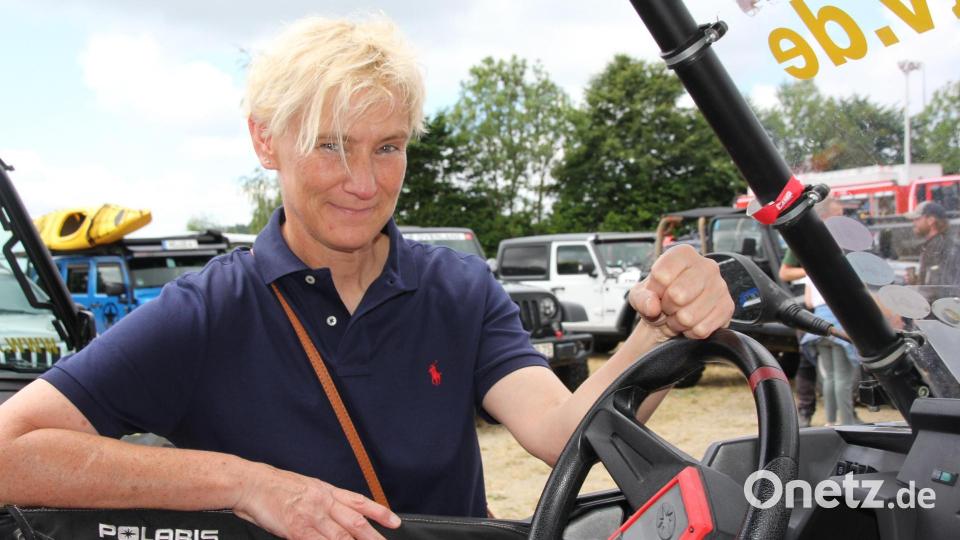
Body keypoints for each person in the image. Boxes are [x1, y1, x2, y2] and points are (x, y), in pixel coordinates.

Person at [0, 16, 733, 540]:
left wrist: (658, 332)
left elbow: (567, 434)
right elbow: (10, 453)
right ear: (266, 139)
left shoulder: (458, 290)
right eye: (330, 146)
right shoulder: (207, 311)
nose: (362, 182)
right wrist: (247, 486)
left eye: (387, 147)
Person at [778, 196, 844, 428]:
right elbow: (785, 273)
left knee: (841, 363)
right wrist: (812, 270)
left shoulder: (839, 240)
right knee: (808, 360)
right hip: (810, 305)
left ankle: (842, 414)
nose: (842, 219)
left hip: (838, 305)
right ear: (823, 216)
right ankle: (805, 411)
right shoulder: (802, 240)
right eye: (838, 214)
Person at [907, 201, 958, 286]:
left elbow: (941, 286)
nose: (914, 223)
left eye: (917, 219)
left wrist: (920, 284)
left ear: (931, 220)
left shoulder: (939, 247)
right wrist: (917, 281)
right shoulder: (935, 244)